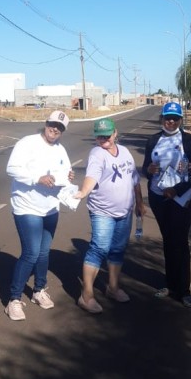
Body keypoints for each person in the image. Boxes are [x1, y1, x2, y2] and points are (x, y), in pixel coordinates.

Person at [4, 110, 74, 321]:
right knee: (31, 253)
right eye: (53, 124)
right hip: (27, 207)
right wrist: (37, 178)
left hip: (50, 208)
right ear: (46, 123)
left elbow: (66, 172)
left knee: (44, 253)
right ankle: (14, 300)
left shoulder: (60, 149)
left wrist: (69, 176)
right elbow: (12, 169)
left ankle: (39, 290)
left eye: (60, 127)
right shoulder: (27, 143)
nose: (55, 129)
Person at [75, 117, 146, 314]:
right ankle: (86, 296)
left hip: (125, 212)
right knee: (99, 248)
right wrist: (83, 191)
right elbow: (92, 176)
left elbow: (134, 179)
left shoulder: (125, 152)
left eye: (107, 136)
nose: (103, 140)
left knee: (118, 250)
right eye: (100, 136)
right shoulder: (97, 154)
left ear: (115, 133)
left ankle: (113, 288)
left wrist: (139, 203)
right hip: (102, 211)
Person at [142, 101, 191, 306]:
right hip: (158, 197)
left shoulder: (188, 140)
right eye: (168, 118)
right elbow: (145, 169)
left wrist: (177, 190)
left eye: (175, 119)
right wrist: (148, 170)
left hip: (180, 198)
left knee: (180, 242)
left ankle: (183, 290)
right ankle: (170, 284)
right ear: (162, 119)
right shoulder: (153, 140)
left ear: (181, 120)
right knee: (168, 240)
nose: (171, 122)